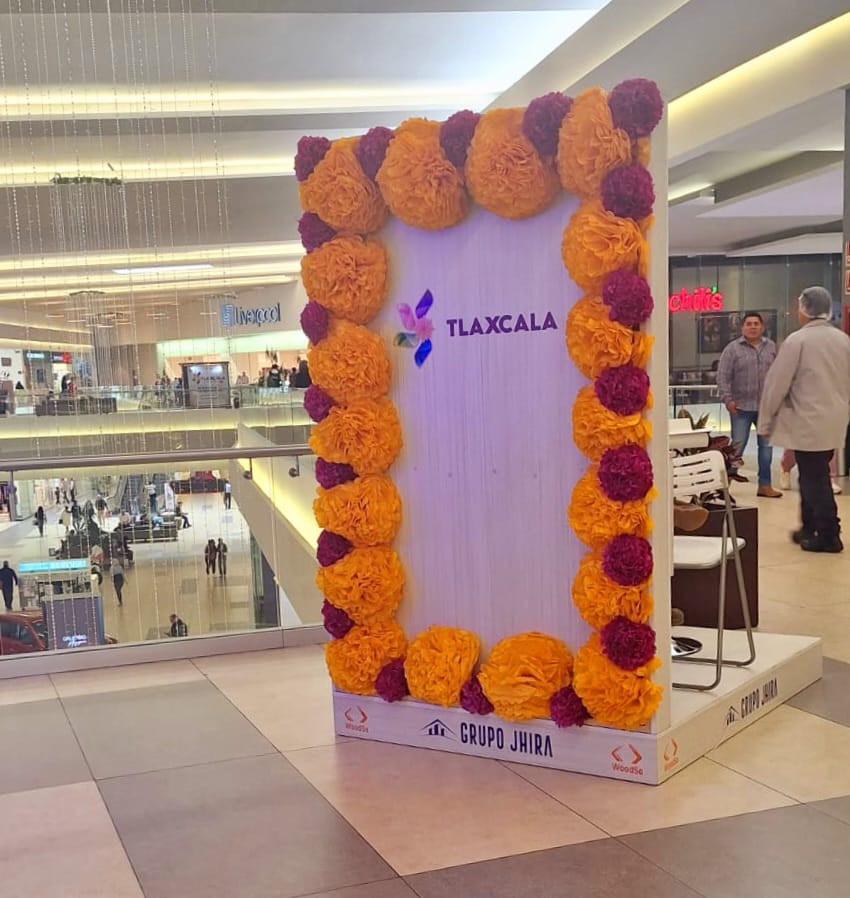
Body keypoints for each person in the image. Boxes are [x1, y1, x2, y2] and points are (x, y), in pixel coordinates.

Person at [759, 286, 850, 552]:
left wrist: (765, 420)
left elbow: (777, 384)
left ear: (804, 309)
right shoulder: (843, 340)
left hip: (807, 421)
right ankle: (808, 527)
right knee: (811, 475)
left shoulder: (797, 341)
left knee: (815, 479)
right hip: (834, 421)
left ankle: (829, 534)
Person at [717, 311, 781, 497]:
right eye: (749, 324)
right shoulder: (732, 349)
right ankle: (725, 487)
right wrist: (728, 399)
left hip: (766, 408)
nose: (752, 327)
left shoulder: (771, 347)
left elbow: (779, 374)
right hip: (741, 408)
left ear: (762, 327)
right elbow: (722, 376)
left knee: (766, 449)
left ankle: (765, 485)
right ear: (742, 328)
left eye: (756, 324)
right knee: (736, 449)